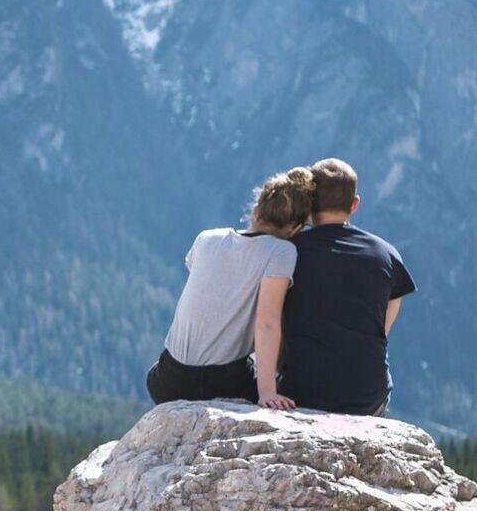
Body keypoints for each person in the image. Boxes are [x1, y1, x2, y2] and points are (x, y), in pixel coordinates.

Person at [147, 168, 315, 408]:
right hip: (224, 382)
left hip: (168, 381)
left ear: (256, 211)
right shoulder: (282, 252)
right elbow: (267, 323)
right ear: (296, 229)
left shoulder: (207, 238)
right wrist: (267, 392)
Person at [278, 158, 415, 415]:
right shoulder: (386, 255)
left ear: (308, 204)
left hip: (302, 393)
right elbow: (381, 328)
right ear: (354, 204)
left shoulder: (287, 253)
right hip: (368, 398)